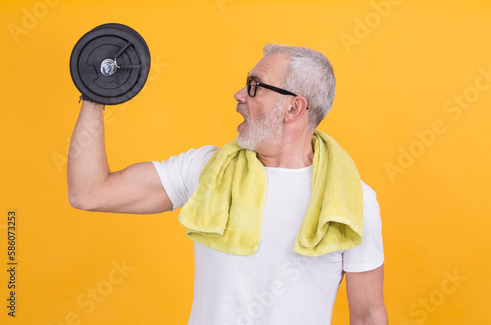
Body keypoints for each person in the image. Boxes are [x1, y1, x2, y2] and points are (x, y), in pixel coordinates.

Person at [68, 44, 387, 325]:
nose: (239, 95)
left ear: (293, 108)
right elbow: (90, 192)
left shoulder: (349, 201)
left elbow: (368, 317)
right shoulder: (207, 170)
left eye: (255, 86)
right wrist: (96, 91)